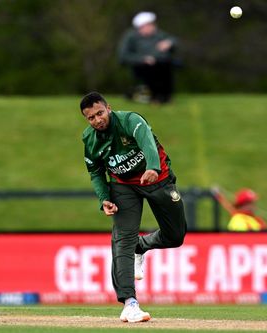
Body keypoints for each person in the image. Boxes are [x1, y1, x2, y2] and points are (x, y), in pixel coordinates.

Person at [80, 92, 187, 322]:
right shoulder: (89, 140)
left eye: (100, 113)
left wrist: (152, 167)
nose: (97, 120)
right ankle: (130, 303)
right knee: (122, 240)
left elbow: (147, 141)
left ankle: (141, 246)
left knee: (175, 236)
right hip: (123, 186)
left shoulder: (131, 121)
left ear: (108, 108)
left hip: (157, 178)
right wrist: (104, 199)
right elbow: (96, 172)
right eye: (91, 118)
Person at [118, 11, 178, 104]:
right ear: (141, 27)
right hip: (141, 67)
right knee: (151, 70)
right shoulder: (131, 37)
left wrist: (169, 43)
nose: (153, 27)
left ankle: (166, 96)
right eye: (149, 25)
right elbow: (123, 56)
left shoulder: (159, 35)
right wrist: (143, 59)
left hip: (161, 64)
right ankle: (154, 97)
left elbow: (173, 40)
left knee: (167, 66)